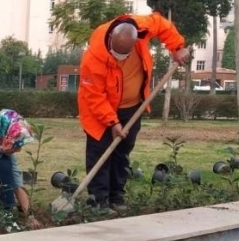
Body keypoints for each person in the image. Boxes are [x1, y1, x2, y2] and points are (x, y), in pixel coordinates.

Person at [78, 12, 190, 213]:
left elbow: (162, 25)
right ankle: (99, 200)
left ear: (136, 39)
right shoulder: (94, 56)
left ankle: (116, 195)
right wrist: (112, 122)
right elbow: (94, 95)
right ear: (111, 39)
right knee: (100, 152)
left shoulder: (142, 26)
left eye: (125, 55)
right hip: (99, 110)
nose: (120, 59)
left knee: (122, 152)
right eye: (117, 55)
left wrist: (177, 47)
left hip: (132, 107)